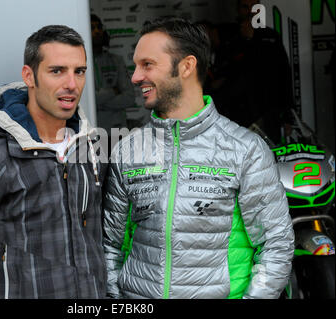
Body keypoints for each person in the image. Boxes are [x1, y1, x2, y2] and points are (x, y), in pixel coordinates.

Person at [102, 17, 294, 299]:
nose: (135, 76)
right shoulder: (126, 149)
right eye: (136, 65)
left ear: (186, 66)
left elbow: (275, 244)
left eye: (147, 64)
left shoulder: (245, 149)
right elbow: (110, 246)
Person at [0, 25, 107, 299]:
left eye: (79, 71)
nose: (71, 84)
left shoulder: (91, 148)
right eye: (57, 71)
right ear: (29, 76)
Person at [210, 0, 294, 145]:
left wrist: (288, 117)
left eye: (254, 7)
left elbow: (284, 76)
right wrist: (247, 41)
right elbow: (222, 74)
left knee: (269, 157)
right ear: (238, 9)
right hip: (235, 114)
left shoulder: (271, 36)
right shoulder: (228, 37)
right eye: (245, 7)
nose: (250, 11)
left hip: (268, 112)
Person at [91, 14, 135, 152]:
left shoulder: (116, 60)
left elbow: (129, 97)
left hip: (118, 131)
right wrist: (112, 91)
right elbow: (87, 100)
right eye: (92, 28)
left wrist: (98, 101)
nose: (97, 31)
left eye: (99, 27)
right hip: (93, 133)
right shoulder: (79, 64)